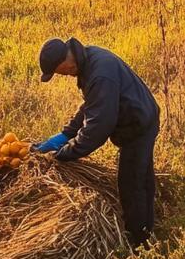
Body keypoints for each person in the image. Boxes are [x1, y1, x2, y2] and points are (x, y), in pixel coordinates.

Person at [31, 37, 160, 247]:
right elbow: (92, 106)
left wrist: (64, 153)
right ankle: (146, 227)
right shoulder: (89, 59)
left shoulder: (99, 75)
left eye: (58, 71)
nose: (61, 75)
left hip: (138, 126)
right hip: (139, 117)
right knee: (140, 176)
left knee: (131, 184)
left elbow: (98, 129)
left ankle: (140, 243)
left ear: (65, 62)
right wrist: (65, 135)